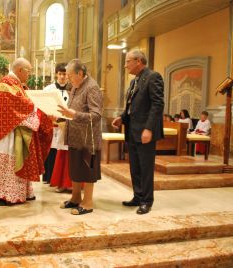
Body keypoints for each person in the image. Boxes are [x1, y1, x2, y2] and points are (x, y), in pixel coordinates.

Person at [0, 58, 53, 206]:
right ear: (19, 70)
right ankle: (6, 196)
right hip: (6, 134)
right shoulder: (7, 84)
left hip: (14, 130)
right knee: (9, 162)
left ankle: (23, 192)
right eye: (28, 71)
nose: (29, 75)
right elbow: (23, 106)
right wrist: (43, 111)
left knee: (20, 158)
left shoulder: (15, 84)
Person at [112, 49, 164, 215]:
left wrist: (148, 128)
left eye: (128, 61)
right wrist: (122, 117)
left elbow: (157, 104)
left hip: (145, 132)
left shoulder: (153, 77)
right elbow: (131, 107)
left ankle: (147, 201)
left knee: (146, 168)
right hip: (132, 131)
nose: (125, 65)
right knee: (135, 167)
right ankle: (137, 196)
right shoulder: (134, 81)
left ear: (139, 61)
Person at [57, 59, 103, 215]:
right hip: (75, 136)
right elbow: (71, 109)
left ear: (80, 73)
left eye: (70, 75)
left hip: (88, 139)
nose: (68, 78)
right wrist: (59, 116)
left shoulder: (92, 88)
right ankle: (75, 198)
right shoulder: (76, 86)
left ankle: (88, 202)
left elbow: (96, 115)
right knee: (75, 169)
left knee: (88, 171)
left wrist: (74, 114)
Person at [43, 63, 72, 192]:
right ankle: (50, 177)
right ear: (56, 74)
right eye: (60, 74)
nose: (62, 77)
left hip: (65, 126)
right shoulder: (48, 89)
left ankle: (61, 180)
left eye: (65, 74)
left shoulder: (72, 89)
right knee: (52, 151)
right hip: (51, 124)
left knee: (61, 153)